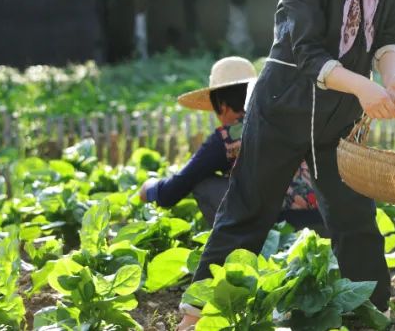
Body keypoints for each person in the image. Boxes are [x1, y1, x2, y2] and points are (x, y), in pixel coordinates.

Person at [177, 0, 395, 330]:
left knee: (352, 213)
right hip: (285, 102)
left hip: (343, 109)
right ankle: (194, 315)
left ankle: (370, 313)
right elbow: (306, 52)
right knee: (249, 207)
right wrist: (365, 86)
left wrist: (391, 78)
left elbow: (392, 34)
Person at [137, 56, 323, 231]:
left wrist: (149, 188)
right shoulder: (288, 120)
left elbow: (172, 191)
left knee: (203, 184)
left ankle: (235, 242)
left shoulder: (227, 137)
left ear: (222, 105)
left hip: (276, 227)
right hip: (320, 219)